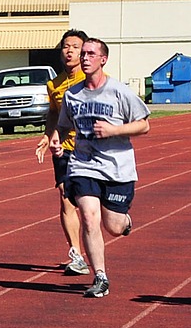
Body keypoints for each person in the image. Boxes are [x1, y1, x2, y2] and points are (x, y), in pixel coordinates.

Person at [51, 38, 150, 298]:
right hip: (83, 165)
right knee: (89, 217)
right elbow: (63, 126)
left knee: (113, 226)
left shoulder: (120, 92)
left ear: (103, 59)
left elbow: (144, 125)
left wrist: (115, 130)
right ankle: (100, 276)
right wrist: (56, 140)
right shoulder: (72, 95)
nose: (84, 58)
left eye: (90, 54)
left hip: (117, 168)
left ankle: (125, 222)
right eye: (83, 53)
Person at [35, 28, 89, 275]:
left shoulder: (93, 80)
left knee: (94, 205)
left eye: (75, 47)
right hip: (64, 150)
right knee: (66, 198)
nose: (69, 51)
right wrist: (47, 136)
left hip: (91, 149)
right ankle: (77, 254)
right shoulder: (54, 84)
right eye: (66, 46)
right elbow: (54, 113)